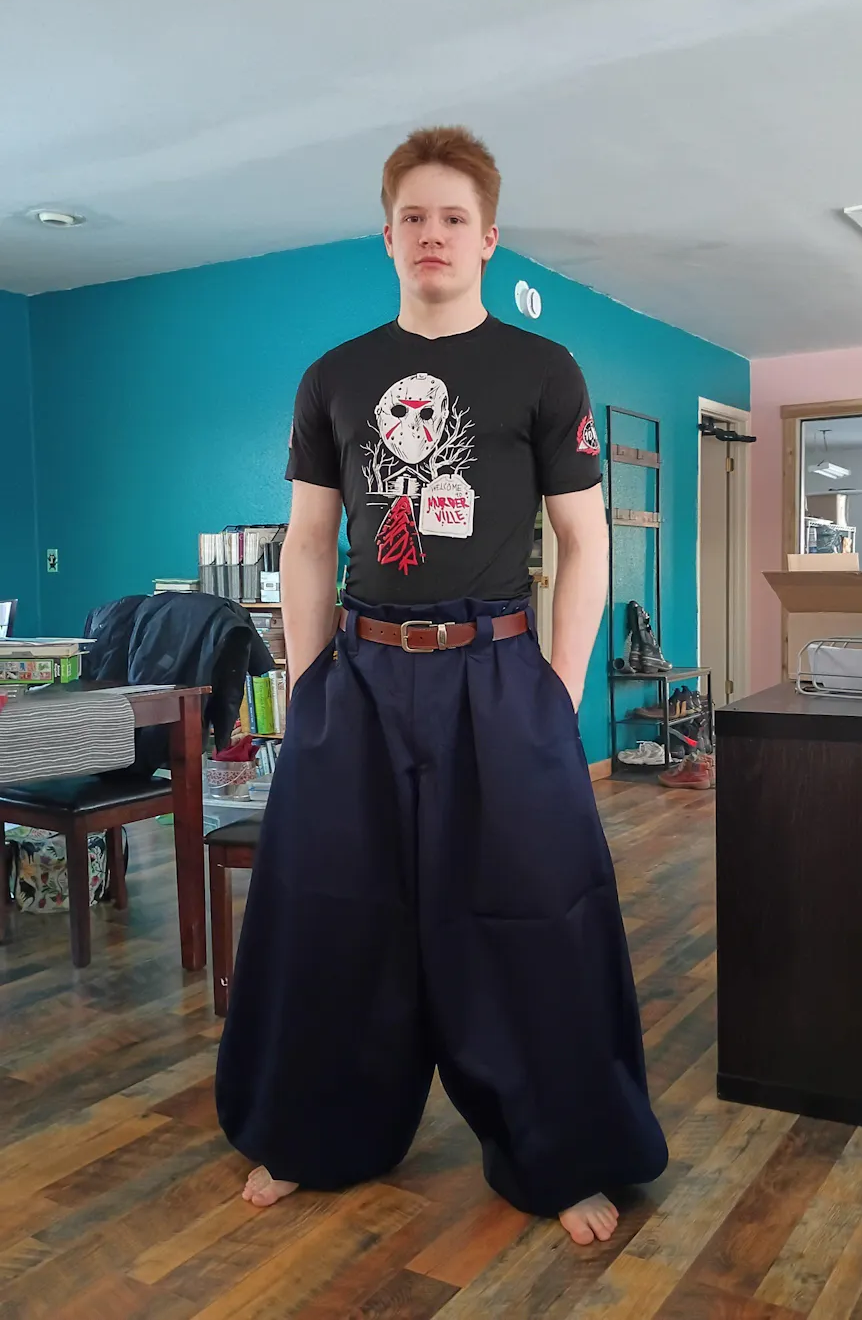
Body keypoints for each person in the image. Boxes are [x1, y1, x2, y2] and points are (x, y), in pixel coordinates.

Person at [215, 126, 668, 1246]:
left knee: (536, 909)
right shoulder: (334, 377)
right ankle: (310, 1131)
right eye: (412, 217)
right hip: (359, 679)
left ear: (488, 236)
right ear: (387, 236)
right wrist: (308, 685)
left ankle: (563, 1152)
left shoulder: (542, 370)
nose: (432, 234)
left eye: (452, 217)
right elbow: (308, 544)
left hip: (501, 674)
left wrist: (559, 690)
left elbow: (585, 541)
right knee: (328, 908)